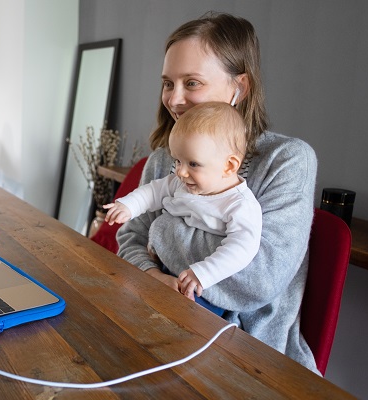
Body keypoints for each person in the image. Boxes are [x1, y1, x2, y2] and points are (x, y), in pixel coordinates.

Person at [116, 11, 319, 374]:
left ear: (239, 87)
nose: (174, 99)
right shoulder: (166, 158)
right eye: (168, 83)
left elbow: (257, 280)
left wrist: (161, 232)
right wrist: (150, 274)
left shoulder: (288, 161)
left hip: (253, 357)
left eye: (192, 83)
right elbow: (129, 238)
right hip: (158, 322)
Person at [104, 101, 262, 316]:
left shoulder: (239, 205)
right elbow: (154, 191)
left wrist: (203, 273)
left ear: (230, 166)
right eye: (178, 161)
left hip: (203, 286)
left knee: (183, 320)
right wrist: (128, 206)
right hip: (163, 268)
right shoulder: (183, 183)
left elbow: (242, 248)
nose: (181, 172)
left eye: (193, 164)